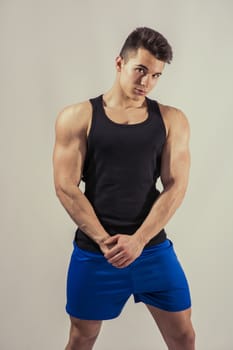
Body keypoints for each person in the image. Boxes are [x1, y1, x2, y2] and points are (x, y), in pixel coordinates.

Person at [52, 26, 195, 350]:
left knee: (184, 336)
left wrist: (139, 241)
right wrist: (106, 242)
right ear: (120, 63)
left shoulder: (173, 120)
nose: (147, 82)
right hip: (96, 253)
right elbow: (65, 186)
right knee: (81, 337)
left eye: (156, 75)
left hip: (152, 250)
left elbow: (176, 185)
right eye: (141, 70)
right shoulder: (78, 117)